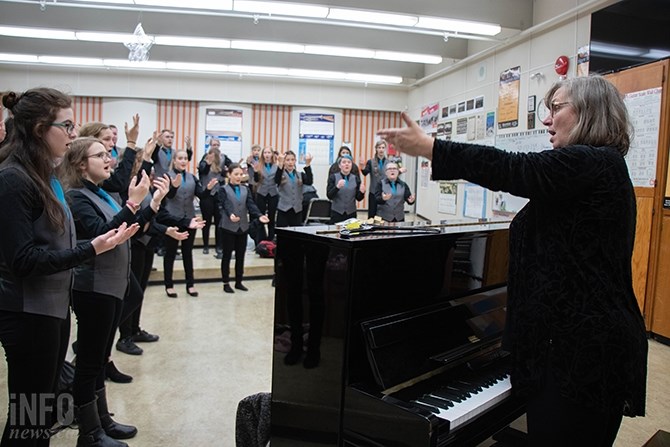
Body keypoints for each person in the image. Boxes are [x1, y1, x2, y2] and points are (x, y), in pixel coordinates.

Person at [377, 75, 648, 446]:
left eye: (556, 107)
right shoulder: (590, 172)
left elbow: (514, 169)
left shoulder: (594, 163)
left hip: (582, 357)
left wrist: (432, 148)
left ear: (588, 112)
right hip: (570, 347)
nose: (547, 119)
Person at [0, 87, 137, 447]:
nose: (74, 134)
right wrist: (90, 249)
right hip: (29, 314)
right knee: (28, 418)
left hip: (53, 310)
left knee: (45, 413)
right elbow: (24, 260)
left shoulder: (45, 177)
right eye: (68, 125)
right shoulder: (13, 179)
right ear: (39, 129)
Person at [61, 136, 168, 447]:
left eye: (108, 153)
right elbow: (101, 233)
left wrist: (153, 203)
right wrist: (133, 202)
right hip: (92, 287)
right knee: (90, 361)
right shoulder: (76, 196)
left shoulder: (103, 194)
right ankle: (90, 433)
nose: (109, 159)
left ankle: (103, 420)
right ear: (81, 165)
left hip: (112, 284)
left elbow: (127, 227)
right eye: (100, 155)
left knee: (99, 356)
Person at [162, 149, 217, 298]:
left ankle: (190, 284)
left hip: (190, 220)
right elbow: (168, 196)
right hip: (172, 219)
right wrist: (174, 186)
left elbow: (201, 195)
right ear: (174, 160)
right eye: (180, 158)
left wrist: (208, 189)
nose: (183, 161)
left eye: (185, 158)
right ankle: (169, 285)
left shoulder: (192, 177)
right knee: (170, 253)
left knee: (187, 253)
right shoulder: (167, 176)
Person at [218, 163, 269, 293]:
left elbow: (250, 204)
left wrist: (259, 216)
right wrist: (230, 215)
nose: (239, 177)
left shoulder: (245, 189)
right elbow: (225, 204)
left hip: (242, 227)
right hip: (228, 227)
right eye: (236, 174)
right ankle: (225, 282)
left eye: (241, 174)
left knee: (241, 255)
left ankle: (239, 281)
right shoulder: (223, 189)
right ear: (229, 175)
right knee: (227, 255)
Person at [198, 145, 225, 255]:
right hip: (206, 197)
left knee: (219, 223)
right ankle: (205, 245)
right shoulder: (203, 164)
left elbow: (223, 179)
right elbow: (203, 172)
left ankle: (219, 245)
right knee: (206, 222)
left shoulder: (220, 167)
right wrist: (208, 164)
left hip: (217, 196)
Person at [274, 150, 313, 228]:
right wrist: (280, 164)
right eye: (287, 160)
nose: (290, 162)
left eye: (292, 160)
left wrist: (308, 164)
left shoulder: (300, 175)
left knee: (296, 234)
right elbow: (276, 180)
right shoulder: (281, 173)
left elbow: (309, 181)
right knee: (282, 232)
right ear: (284, 161)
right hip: (283, 208)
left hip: (297, 209)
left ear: (295, 161)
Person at [250, 146, 279, 241]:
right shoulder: (259, 165)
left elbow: (277, 180)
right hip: (261, 193)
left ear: (272, 154)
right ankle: (260, 240)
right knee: (260, 216)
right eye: (265, 153)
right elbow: (256, 180)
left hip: (273, 193)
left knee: (271, 217)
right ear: (263, 154)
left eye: (269, 152)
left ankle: (270, 240)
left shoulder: (277, 166)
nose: (267, 155)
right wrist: (255, 171)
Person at [326, 154, 365, 224]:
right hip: (337, 213)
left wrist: (362, 192)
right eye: (344, 162)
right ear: (339, 165)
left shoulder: (356, 178)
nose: (347, 164)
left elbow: (358, 198)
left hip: (351, 213)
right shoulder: (333, 177)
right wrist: (337, 187)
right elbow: (329, 196)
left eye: (349, 162)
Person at [360, 140, 390, 218]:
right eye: (379, 147)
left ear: (385, 149)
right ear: (376, 149)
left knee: (384, 215)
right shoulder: (371, 162)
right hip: (373, 192)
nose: (381, 149)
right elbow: (365, 172)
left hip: (385, 192)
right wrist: (363, 167)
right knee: (372, 215)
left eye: (383, 147)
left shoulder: (389, 162)